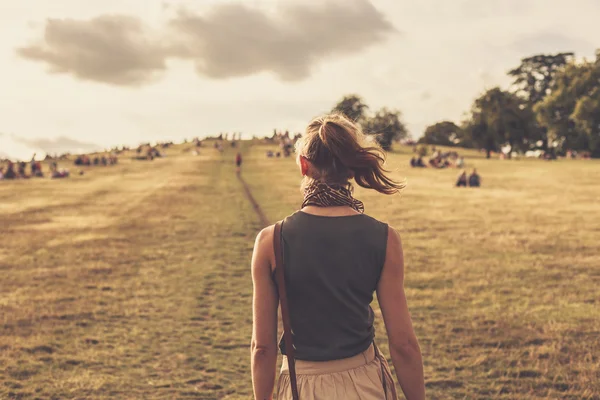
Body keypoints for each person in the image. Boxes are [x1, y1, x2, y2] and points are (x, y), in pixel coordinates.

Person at [251, 114, 425, 400]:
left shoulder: (270, 241)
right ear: (350, 171)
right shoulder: (385, 237)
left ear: (303, 165)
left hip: (301, 386)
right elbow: (404, 344)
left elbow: (262, 347)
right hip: (365, 383)